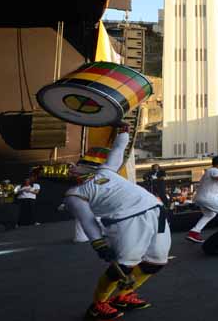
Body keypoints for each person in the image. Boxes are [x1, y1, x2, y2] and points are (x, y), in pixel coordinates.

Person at [58, 122, 170, 320]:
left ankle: (124, 296)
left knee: (156, 262)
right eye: (71, 168)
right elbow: (87, 220)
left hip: (156, 211)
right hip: (127, 221)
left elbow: (118, 149)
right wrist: (99, 244)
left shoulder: (106, 171)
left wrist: (124, 132)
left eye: (76, 165)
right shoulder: (74, 194)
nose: (72, 169)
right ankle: (98, 304)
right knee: (125, 265)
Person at [186, 155, 218, 243]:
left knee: (210, 214)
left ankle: (193, 232)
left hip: (202, 197)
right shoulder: (214, 170)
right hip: (207, 197)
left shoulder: (214, 171)